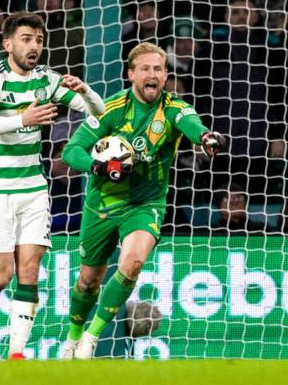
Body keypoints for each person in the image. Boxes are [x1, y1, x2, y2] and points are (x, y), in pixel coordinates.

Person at [0, 12, 105, 360]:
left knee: (30, 269)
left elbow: (98, 113)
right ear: (7, 44)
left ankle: (17, 354)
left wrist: (87, 91)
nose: (34, 46)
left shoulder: (47, 80)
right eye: (26, 39)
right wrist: (24, 118)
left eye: (38, 40)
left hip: (33, 188)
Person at [59, 42, 225, 359]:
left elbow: (195, 127)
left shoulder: (174, 108)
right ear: (131, 74)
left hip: (145, 204)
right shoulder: (111, 108)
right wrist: (101, 167)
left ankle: (91, 339)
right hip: (103, 204)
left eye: (159, 69)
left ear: (165, 75)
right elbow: (72, 151)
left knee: (133, 262)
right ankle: (73, 337)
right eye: (146, 69)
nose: (153, 75)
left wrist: (206, 139)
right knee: (88, 281)